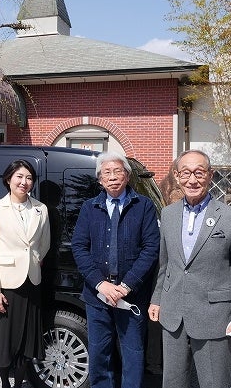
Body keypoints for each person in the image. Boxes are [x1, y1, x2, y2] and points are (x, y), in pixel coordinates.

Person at [148, 150, 231, 388]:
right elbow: (165, 264)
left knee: (213, 382)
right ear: (177, 176)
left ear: (210, 175)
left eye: (199, 173)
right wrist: (157, 299)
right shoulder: (168, 214)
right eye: (185, 173)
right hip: (173, 313)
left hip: (214, 315)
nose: (192, 180)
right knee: (172, 382)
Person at [71, 151, 160, 388]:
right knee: (100, 353)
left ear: (127, 176)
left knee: (133, 352)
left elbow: (151, 248)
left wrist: (125, 286)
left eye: (117, 171)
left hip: (131, 295)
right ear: (100, 180)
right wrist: (101, 284)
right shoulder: (90, 207)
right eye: (106, 173)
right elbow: (79, 247)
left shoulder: (144, 206)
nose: (112, 177)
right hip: (97, 295)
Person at [0, 160, 51, 388]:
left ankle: (19, 384)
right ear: (8, 179)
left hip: (31, 282)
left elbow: (45, 242)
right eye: (19, 177)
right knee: (5, 342)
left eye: (29, 178)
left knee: (26, 343)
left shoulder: (41, 209)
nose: (24, 182)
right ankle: (5, 383)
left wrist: (35, 259)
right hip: (6, 285)